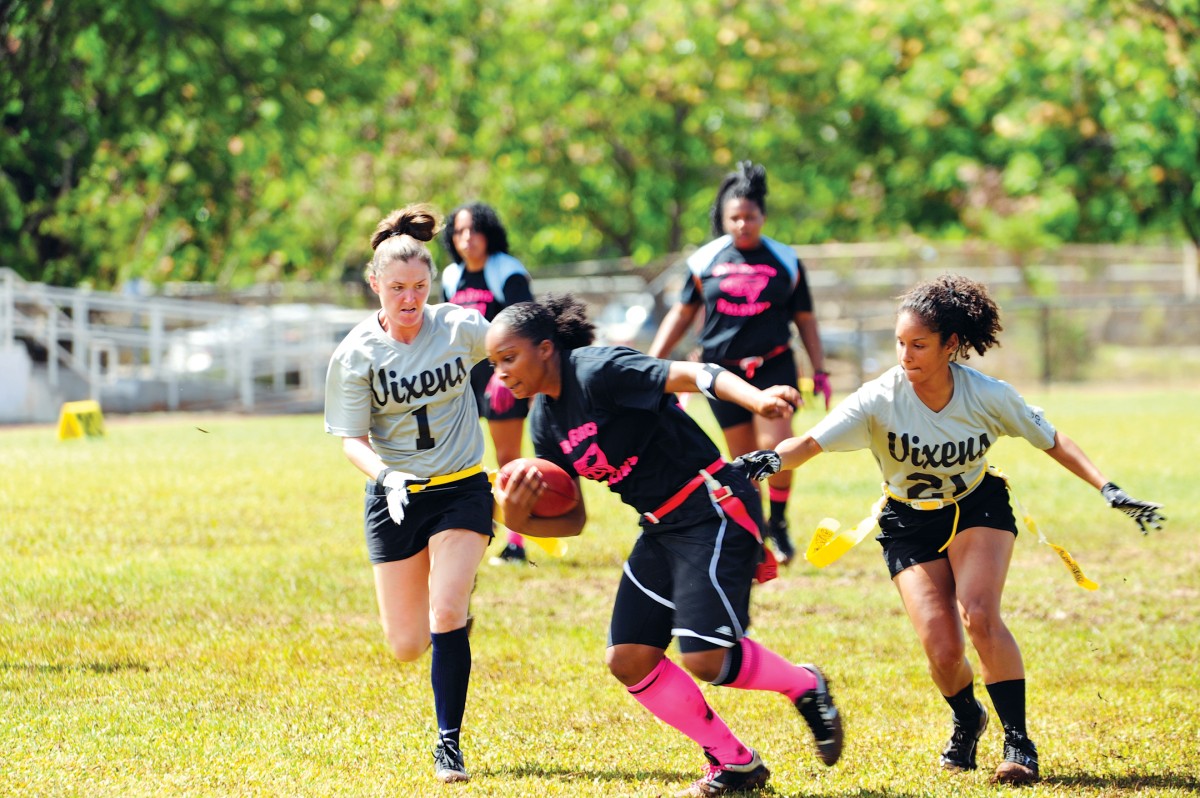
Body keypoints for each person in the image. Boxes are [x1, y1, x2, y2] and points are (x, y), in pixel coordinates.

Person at [732, 274, 1166, 785]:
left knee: (979, 613)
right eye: (899, 343)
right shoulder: (879, 398)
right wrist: (761, 461)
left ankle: (1019, 743)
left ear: (951, 345)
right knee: (943, 649)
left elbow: (1051, 439)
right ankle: (967, 717)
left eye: (919, 345)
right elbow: (805, 444)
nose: (905, 355)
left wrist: (1108, 488)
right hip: (906, 521)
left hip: (975, 505)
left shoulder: (986, 395)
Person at [486, 293, 844, 797]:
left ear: (545, 348)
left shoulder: (599, 370)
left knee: (706, 657)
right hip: (660, 527)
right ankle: (736, 764)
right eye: (494, 363)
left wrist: (758, 400)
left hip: (712, 504)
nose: (501, 373)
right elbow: (573, 521)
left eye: (509, 358)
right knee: (628, 658)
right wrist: (519, 517)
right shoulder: (545, 420)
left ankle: (805, 686)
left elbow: (695, 375)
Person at [325, 204, 494, 784]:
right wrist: (386, 476)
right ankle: (452, 623)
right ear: (374, 284)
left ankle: (449, 744)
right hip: (395, 497)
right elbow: (350, 440)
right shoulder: (355, 354)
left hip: (461, 490)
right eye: (396, 287)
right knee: (406, 644)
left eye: (419, 286)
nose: (409, 299)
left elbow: (517, 348)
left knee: (446, 609)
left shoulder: (458, 325)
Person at [648, 161, 830, 566]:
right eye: (735, 217)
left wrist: (819, 368)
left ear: (763, 216)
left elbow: (805, 320)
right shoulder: (704, 260)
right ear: (724, 219)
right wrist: (652, 363)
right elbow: (681, 313)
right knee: (744, 458)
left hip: (774, 365)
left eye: (750, 217)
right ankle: (757, 534)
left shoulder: (785, 259)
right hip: (722, 373)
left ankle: (779, 523)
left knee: (776, 446)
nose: (743, 224)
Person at [439, 201, 536, 566]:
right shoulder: (451, 276)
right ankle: (462, 533)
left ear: (488, 234)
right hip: (464, 382)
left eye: (475, 230)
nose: (468, 239)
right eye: (460, 231)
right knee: (460, 460)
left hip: (503, 381)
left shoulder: (506, 271)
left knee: (509, 459)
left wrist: (506, 374)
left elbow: (525, 325)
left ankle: (517, 543)